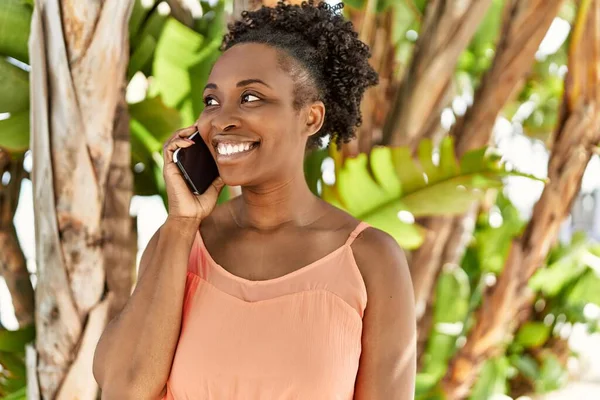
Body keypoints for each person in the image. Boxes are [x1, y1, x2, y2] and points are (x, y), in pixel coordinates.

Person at [93, 1, 416, 399]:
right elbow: (124, 391)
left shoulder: (371, 259)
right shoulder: (178, 244)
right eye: (212, 101)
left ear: (311, 117)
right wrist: (180, 226)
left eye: (251, 98)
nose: (221, 119)